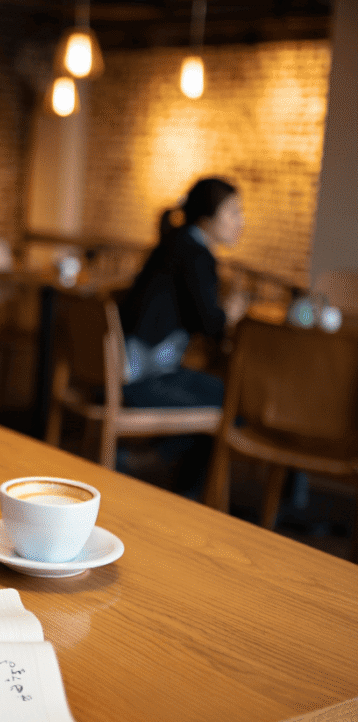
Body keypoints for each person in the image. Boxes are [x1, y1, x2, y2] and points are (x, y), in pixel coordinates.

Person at [118, 177, 248, 492]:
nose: (240, 222)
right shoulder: (197, 255)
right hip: (143, 380)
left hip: (124, 372)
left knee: (224, 395)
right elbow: (209, 324)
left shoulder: (174, 242)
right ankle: (180, 488)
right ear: (207, 216)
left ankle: (155, 460)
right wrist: (231, 313)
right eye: (233, 213)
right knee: (235, 405)